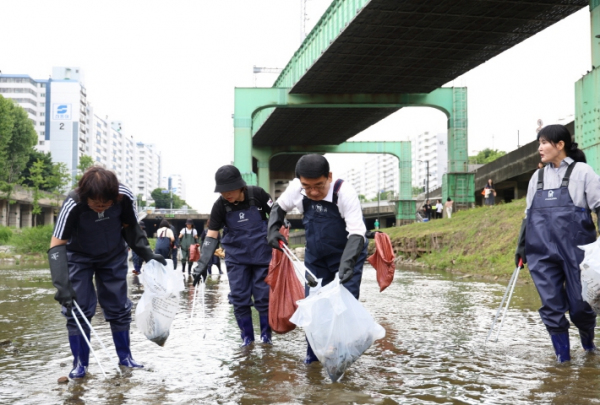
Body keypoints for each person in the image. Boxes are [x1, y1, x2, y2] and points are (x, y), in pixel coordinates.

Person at [48, 167, 166, 379]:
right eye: (95, 203)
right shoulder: (73, 202)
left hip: (112, 255)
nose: (101, 208)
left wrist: (147, 253)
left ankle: (126, 358)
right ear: (86, 197)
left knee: (118, 305)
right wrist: (62, 285)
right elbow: (57, 245)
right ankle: (80, 365)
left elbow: (130, 227)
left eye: (106, 204)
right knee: (78, 308)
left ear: (115, 197)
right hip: (78, 257)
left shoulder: (125, 196)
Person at [266, 154, 374, 364]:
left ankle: (342, 355)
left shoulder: (344, 192)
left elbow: (357, 233)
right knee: (313, 306)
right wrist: (272, 230)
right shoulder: (297, 187)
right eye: (308, 187)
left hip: (347, 254)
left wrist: (347, 264)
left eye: (319, 185)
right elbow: (278, 208)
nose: (313, 192)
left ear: (329, 177)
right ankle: (313, 355)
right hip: (316, 256)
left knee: (343, 305)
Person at [515, 124, 600, 363]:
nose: (540, 148)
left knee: (581, 307)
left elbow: (599, 207)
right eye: (539, 143)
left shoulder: (583, 172)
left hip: (577, 251)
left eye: (544, 142)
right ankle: (563, 361)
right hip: (540, 251)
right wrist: (521, 247)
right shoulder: (537, 176)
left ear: (559, 145)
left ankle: (588, 346)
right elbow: (528, 214)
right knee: (551, 307)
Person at [192, 165, 274, 346]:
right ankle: (247, 339)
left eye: (230, 190)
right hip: (236, 258)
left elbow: (276, 214)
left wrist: (279, 230)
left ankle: (266, 337)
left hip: (262, 255)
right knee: (239, 297)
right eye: (222, 191)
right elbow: (212, 234)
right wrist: (202, 261)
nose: (226, 194)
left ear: (241, 186)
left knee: (263, 297)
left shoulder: (258, 195)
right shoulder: (220, 206)